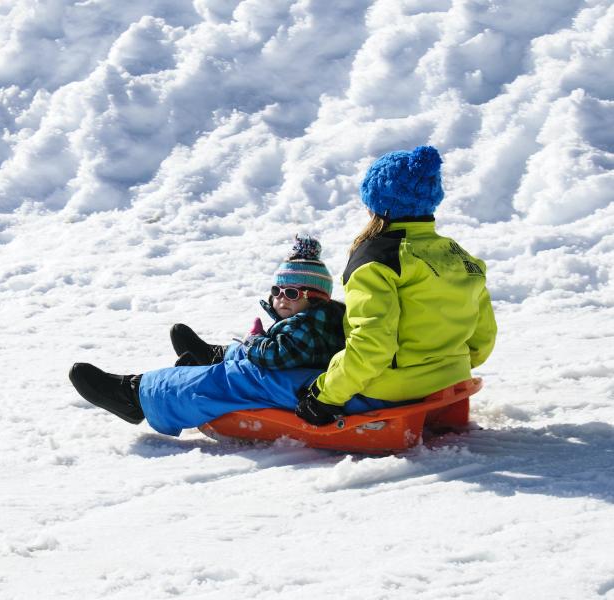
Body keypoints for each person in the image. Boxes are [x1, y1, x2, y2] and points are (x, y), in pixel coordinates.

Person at [295, 145, 498, 426]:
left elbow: (373, 344)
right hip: (451, 381)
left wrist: (324, 397)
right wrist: (445, 368)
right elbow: (483, 337)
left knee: (262, 379)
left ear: (375, 201)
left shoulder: (376, 259)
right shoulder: (457, 254)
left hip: (393, 391)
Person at [68, 235, 346, 436]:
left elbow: (275, 356)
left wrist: (256, 343)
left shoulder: (304, 327)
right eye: (277, 292)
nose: (281, 299)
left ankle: (136, 397)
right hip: (312, 371)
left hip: (303, 378)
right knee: (246, 363)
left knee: (238, 376)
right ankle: (217, 356)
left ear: (316, 298)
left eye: (292, 293)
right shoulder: (321, 317)